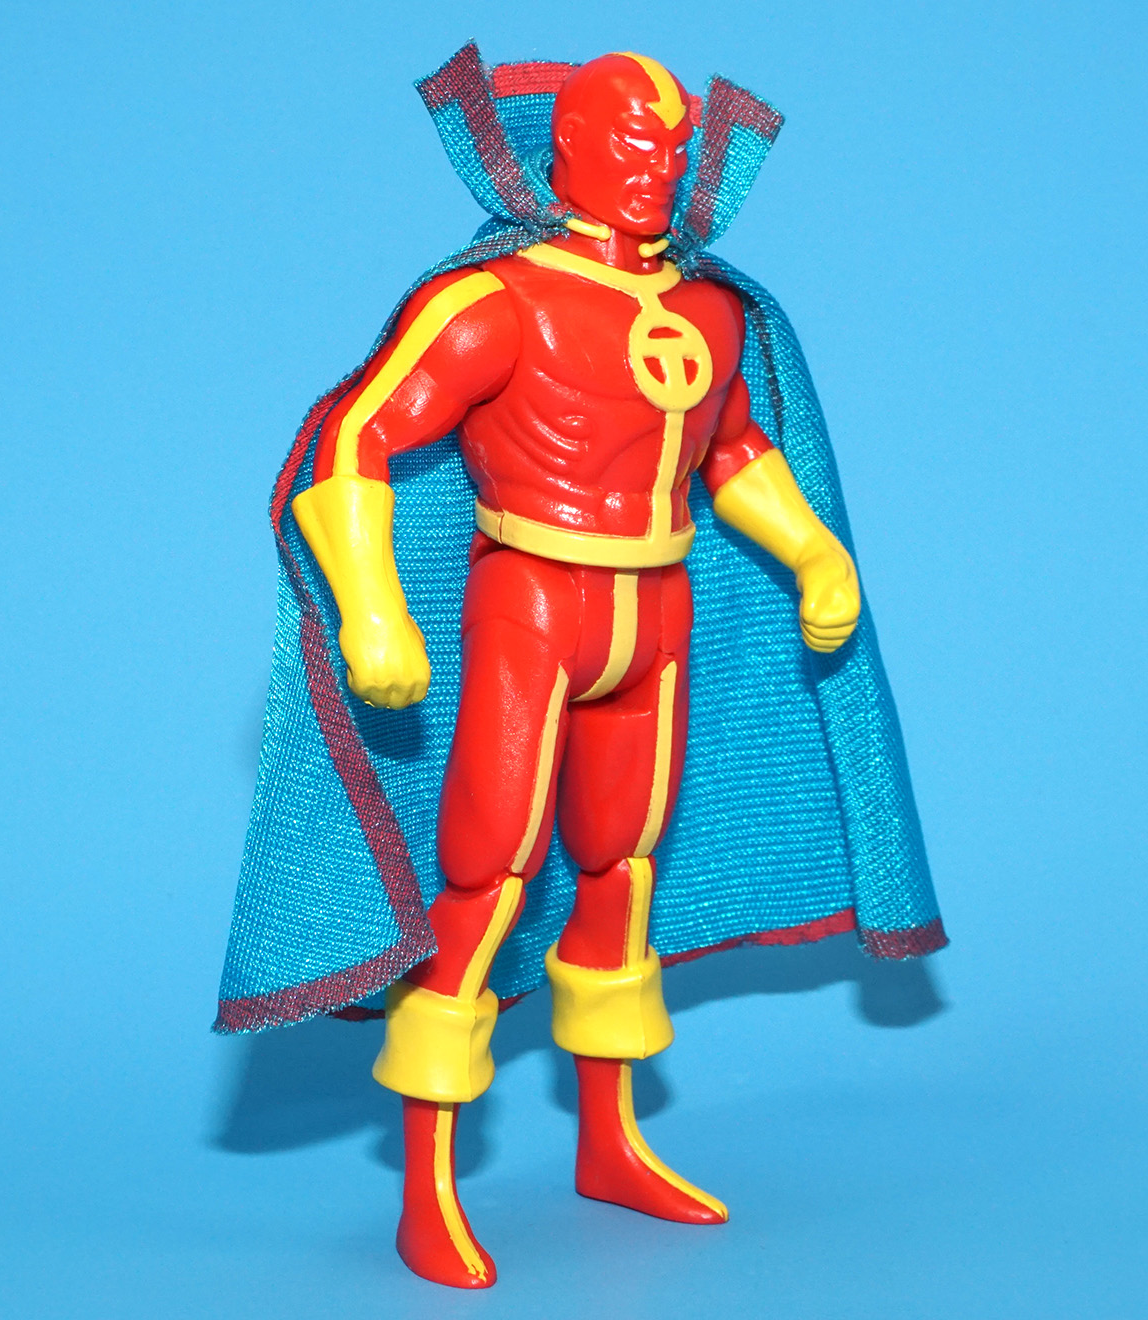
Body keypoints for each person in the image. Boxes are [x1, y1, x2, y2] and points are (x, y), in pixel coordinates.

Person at [292, 52, 862, 1287]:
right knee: (484, 878)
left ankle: (609, 1143)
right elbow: (357, 435)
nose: (656, 167)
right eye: (629, 142)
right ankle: (429, 1185)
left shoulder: (710, 311)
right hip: (534, 602)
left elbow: (733, 449)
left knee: (622, 869)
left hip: (656, 610)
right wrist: (372, 608)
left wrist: (813, 552)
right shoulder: (497, 300)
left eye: (672, 147)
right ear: (567, 149)